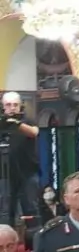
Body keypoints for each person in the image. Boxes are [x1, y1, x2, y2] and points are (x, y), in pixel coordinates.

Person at [1, 92, 39, 224]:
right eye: (8, 105)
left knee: (31, 208)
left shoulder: (27, 121)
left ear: (20, 106)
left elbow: (34, 132)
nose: (12, 108)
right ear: (3, 106)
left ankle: (33, 235)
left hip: (27, 172)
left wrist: (16, 124)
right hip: (5, 175)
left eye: (15, 105)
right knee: (6, 210)